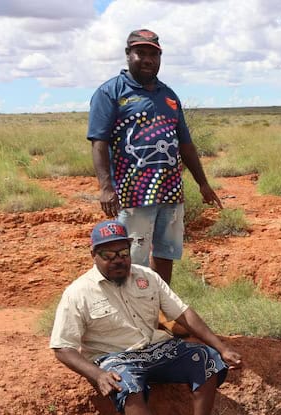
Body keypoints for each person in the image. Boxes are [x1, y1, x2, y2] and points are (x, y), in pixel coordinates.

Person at [50, 220, 242, 415]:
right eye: (108, 255)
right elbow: (62, 347)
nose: (118, 260)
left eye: (123, 253)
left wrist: (221, 347)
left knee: (207, 358)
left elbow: (183, 313)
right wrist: (98, 374)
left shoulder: (147, 277)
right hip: (115, 357)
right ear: (94, 255)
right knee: (126, 384)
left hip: (156, 348)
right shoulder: (78, 293)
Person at [88, 28, 222, 286]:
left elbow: (185, 144)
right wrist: (105, 186)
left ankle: (160, 307)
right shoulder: (111, 92)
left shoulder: (169, 96)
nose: (148, 59)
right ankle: (132, 311)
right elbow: (99, 142)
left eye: (154, 54)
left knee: (165, 253)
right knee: (131, 256)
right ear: (129, 55)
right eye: (141, 53)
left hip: (171, 190)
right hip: (134, 191)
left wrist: (202, 183)